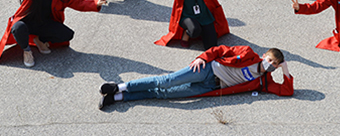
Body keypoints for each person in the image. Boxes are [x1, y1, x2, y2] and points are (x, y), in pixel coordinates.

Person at [98, 45, 293, 109]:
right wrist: (202, 57)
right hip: (208, 69)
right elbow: (220, 50)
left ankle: (119, 98)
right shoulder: (248, 53)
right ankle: (120, 87)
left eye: (274, 63)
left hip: (209, 87)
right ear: (263, 55)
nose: (270, 64)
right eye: (269, 59)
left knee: (165, 95)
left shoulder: (264, 82)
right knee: (166, 82)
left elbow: (287, 91)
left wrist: (285, 70)